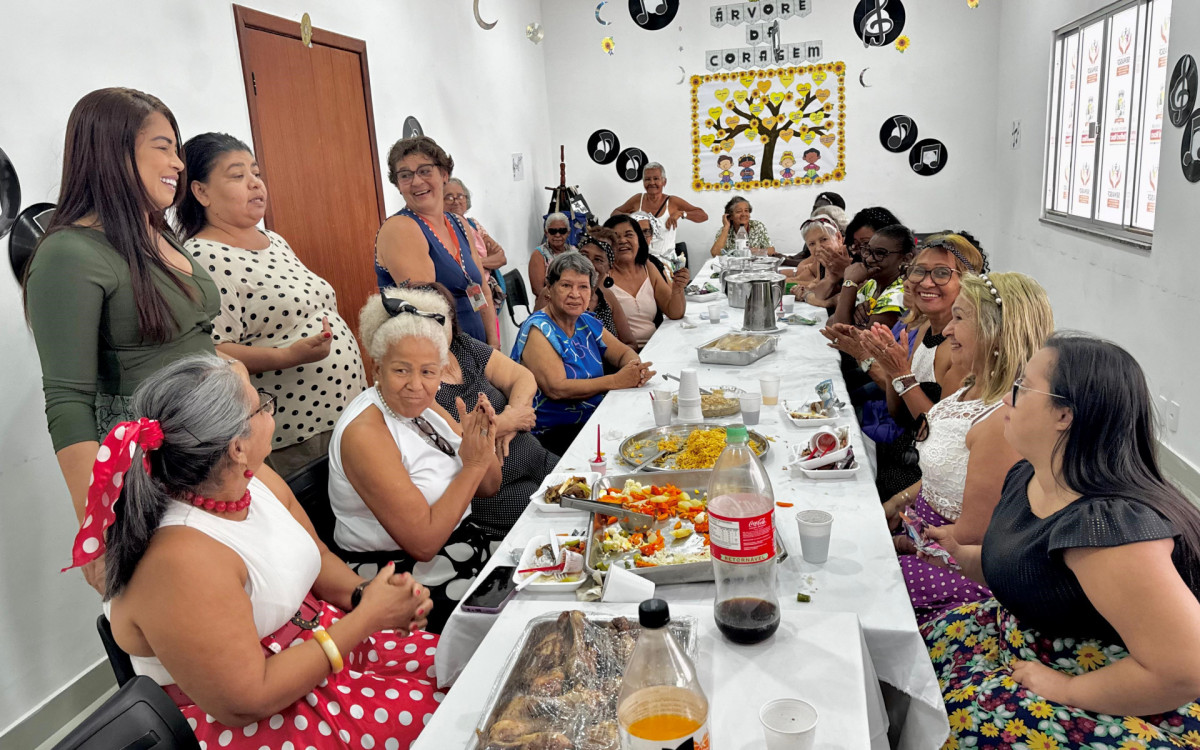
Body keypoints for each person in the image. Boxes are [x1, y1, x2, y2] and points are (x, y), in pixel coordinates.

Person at [68, 354, 442, 749]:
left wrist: (365, 596)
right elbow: (247, 700)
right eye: (261, 404)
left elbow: (313, 555)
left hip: (323, 645)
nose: (270, 410)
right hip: (265, 712)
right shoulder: (180, 561)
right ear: (236, 447)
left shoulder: (250, 478)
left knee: (461, 668)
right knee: (447, 721)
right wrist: (367, 618)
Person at [921, 334, 1200, 747]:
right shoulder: (1029, 475)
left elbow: (1184, 669)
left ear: (1064, 415)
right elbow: (1034, 569)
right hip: (1025, 643)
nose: (1004, 400)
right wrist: (959, 556)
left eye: (1021, 387)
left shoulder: (1106, 529)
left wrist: (1065, 691)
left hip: (1112, 687)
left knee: (960, 724)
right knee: (919, 659)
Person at [24, 88, 219, 593]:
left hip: (212, 447)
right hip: (152, 472)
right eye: (163, 146)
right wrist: (100, 530)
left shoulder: (157, 233)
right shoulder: (69, 253)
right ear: (112, 151)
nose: (178, 161)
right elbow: (67, 400)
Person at [177, 132, 366, 476]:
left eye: (256, 173)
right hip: (296, 432)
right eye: (237, 176)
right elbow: (210, 352)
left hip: (344, 409)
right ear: (200, 191)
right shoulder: (204, 256)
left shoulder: (274, 240)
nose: (255, 184)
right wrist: (287, 357)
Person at [880, 273, 1055, 624]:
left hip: (954, 566)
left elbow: (972, 537)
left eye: (959, 319)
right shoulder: (968, 387)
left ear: (996, 333)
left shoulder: (1001, 422)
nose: (946, 330)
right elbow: (943, 471)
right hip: (923, 533)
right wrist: (897, 502)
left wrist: (903, 542)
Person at [328, 290, 502, 632]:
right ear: (376, 368)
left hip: (461, 550)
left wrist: (480, 443)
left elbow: (489, 487)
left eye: (428, 371)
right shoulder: (366, 432)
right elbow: (423, 543)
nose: (416, 385)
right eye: (401, 370)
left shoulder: (426, 407)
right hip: (401, 579)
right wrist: (473, 464)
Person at [417, 283, 557, 538]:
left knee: (590, 492)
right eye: (424, 322)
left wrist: (511, 414)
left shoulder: (463, 347)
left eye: (442, 318)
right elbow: (458, 439)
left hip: (536, 456)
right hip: (495, 490)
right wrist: (510, 420)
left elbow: (523, 377)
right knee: (562, 524)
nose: (435, 329)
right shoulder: (420, 380)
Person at [511, 252, 655, 455]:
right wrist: (617, 381)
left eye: (583, 287)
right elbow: (557, 388)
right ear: (549, 289)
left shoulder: (585, 321)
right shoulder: (538, 330)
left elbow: (623, 352)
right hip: (555, 434)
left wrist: (634, 368)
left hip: (592, 417)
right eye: (566, 285)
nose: (575, 294)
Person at [374, 135, 500, 349]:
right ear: (398, 185)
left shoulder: (459, 223)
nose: (416, 181)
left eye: (424, 171)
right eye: (405, 175)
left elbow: (482, 289)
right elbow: (428, 313)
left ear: (444, 174)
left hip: (478, 350)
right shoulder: (401, 228)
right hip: (438, 358)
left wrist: (494, 346)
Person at [539, 226, 636, 347]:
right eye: (584, 255)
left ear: (609, 268)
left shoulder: (607, 297)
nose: (589, 264)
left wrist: (619, 359)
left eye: (598, 259)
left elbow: (630, 343)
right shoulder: (551, 293)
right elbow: (539, 339)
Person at [603, 215, 689, 349]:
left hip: (656, 346)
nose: (622, 240)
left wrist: (678, 288)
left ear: (639, 240)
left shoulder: (648, 267)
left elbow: (674, 313)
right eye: (615, 237)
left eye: (629, 235)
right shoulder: (601, 276)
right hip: (623, 354)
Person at [610, 162, 708, 270]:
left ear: (664, 182)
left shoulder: (672, 202)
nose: (652, 183)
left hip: (666, 263)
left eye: (656, 178)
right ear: (643, 182)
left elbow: (703, 216)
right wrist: (634, 216)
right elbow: (615, 213)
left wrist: (682, 213)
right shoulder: (638, 199)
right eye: (647, 179)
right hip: (641, 262)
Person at [445, 177, 507, 341]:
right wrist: (482, 262)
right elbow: (458, 265)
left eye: (460, 196)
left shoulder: (473, 224)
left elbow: (501, 257)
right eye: (449, 197)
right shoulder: (443, 230)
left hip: (488, 291)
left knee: (492, 340)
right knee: (478, 337)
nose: (456, 201)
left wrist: (476, 263)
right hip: (469, 293)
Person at [802, 206, 903, 308]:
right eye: (857, 245)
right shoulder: (852, 256)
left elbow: (846, 299)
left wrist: (808, 296)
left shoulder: (898, 282)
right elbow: (822, 295)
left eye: (824, 239)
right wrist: (832, 278)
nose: (819, 247)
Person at [827, 223, 915, 330]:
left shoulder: (900, 292)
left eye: (880, 253)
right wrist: (853, 317)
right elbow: (831, 322)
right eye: (867, 251)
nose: (869, 259)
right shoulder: (874, 283)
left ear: (906, 259)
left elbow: (841, 333)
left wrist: (849, 282)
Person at [528, 212, 576, 298]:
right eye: (553, 231)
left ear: (568, 232)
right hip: (548, 302)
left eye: (562, 231)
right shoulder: (539, 254)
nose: (557, 235)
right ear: (546, 233)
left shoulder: (574, 252)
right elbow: (538, 290)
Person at [709, 196, 774, 257]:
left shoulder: (757, 226)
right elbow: (715, 254)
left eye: (746, 211)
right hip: (734, 267)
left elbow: (772, 251)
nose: (744, 214)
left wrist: (754, 251)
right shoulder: (724, 230)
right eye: (739, 211)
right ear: (730, 216)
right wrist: (726, 227)